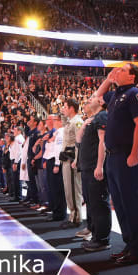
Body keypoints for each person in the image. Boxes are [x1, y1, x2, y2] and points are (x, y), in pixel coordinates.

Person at [94, 63, 138, 265]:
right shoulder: (116, 94)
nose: (118, 71)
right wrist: (109, 78)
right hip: (113, 156)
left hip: (127, 155)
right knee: (120, 203)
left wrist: (135, 153)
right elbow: (98, 96)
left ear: (133, 77)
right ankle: (129, 244)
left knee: (132, 203)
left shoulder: (135, 94)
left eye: (123, 70)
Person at [78, 96, 111, 252]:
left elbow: (102, 142)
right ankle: (96, 236)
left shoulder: (102, 115)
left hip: (94, 167)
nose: (89, 100)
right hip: (87, 167)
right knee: (91, 204)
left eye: (93, 98)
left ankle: (102, 239)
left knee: (99, 204)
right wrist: (84, 125)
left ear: (101, 102)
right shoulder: (92, 119)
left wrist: (99, 166)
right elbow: (78, 139)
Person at [60, 98, 83, 228]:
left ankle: (76, 217)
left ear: (71, 108)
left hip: (72, 160)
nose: (63, 109)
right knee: (69, 189)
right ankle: (72, 215)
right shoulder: (70, 122)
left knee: (74, 189)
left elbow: (80, 143)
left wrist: (77, 159)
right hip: (66, 158)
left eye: (65, 106)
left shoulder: (78, 122)